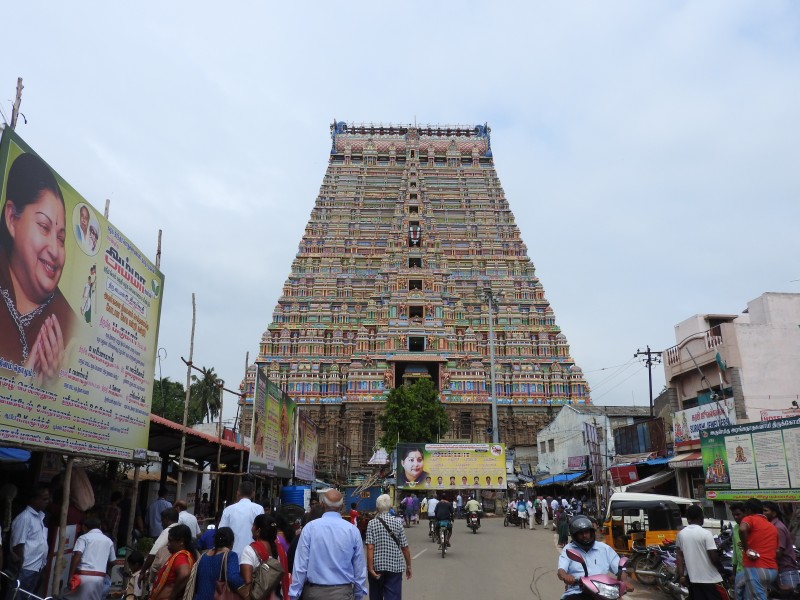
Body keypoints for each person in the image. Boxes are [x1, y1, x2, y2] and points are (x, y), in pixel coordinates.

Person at [0, 152, 75, 382]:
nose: (54, 249)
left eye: (61, 238)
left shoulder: (68, 326)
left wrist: (52, 389)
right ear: (12, 219)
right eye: (44, 226)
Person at [288, 489, 367, 600]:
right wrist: (358, 594)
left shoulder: (309, 528)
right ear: (342, 506)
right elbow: (359, 567)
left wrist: (294, 594)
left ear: (322, 504)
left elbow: (300, 565)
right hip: (343, 593)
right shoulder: (352, 531)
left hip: (314, 593)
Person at [557, 516, 631, 599]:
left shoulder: (604, 548)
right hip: (577, 591)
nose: (585, 535)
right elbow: (561, 570)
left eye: (587, 532)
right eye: (581, 533)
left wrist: (625, 581)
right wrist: (566, 576)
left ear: (591, 532)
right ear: (575, 535)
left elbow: (619, 568)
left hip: (603, 591)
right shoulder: (569, 549)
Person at [675, 504, 726, 600]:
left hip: (693, 579)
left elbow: (679, 556)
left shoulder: (681, 534)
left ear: (688, 518)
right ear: (701, 517)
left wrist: (681, 576)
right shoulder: (706, 533)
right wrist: (722, 571)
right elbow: (713, 557)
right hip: (710, 579)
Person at [366, 494, 411, 600]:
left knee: (375, 596)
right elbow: (404, 547)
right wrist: (408, 566)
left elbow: (370, 547)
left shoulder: (372, 523)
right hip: (394, 567)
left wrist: (370, 568)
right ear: (390, 507)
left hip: (377, 567)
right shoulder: (397, 523)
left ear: (377, 508)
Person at [8, 485, 50, 598]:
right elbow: (18, 545)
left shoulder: (40, 517)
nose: (47, 502)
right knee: (17, 596)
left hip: (36, 568)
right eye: (44, 499)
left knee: (27, 596)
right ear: (33, 499)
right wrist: (20, 567)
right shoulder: (25, 518)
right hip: (25, 568)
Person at [63, 516, 115, 600]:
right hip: (99, 578)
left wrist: (70, 576)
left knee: (67, 596)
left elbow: (77, 555)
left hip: (83, 576)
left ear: (84, 527)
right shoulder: (108, 541)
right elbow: (113, 561)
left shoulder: (83, 538)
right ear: (100, 527)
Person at [240, 514, 289, 600]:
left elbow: (247, 582)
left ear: (258, 531)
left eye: (253, 525)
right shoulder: (281, 550)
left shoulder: (249, 551)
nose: (251, 529)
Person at [739, 497, 778, 599]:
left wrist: (746, 549)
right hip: (772, 570)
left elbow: (742, 529)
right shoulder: (772, 526)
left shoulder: (750, 518)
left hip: (757, 568)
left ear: (749, 510)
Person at [190, 526, 244, 600]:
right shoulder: (230, 555)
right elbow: (233, 578)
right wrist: (246, 589)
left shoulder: (203, 556)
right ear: (231, 542)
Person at [150, 524, 197, 600]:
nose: (168, 544)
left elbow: (185, 573)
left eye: (170, 541)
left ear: (181, 541)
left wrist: (172, 596)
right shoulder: (181, 556)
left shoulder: (181, 556)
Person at [219, 481, 265, 558]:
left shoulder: (228, 510)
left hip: (231, 554)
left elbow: (221, 532)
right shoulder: (259, 509)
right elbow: (263, 532)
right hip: (253, 554)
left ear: (238, 492)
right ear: (253, 493)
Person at [763, 501, 798, 592]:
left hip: (785, 571)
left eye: (765, 511)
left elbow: (778, 552)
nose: (763, 513)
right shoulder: (771, 526)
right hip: (777, 570)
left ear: (774, 513)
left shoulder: (777, 527)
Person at [140, 507, 179, 590]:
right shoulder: (181, 529)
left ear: (167, 519)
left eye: (162, 520)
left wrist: (142, 571)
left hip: (164, 573)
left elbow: (152, 554)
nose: (161, 524)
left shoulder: (168, 531)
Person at [730, 502, 746, 600]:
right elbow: (735, 553)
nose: (736, 517)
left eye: (738, 514)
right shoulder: (735, 528)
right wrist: (734, 572)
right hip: (740, 570)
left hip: (752, 570)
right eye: (734, 515)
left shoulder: (751, 527)